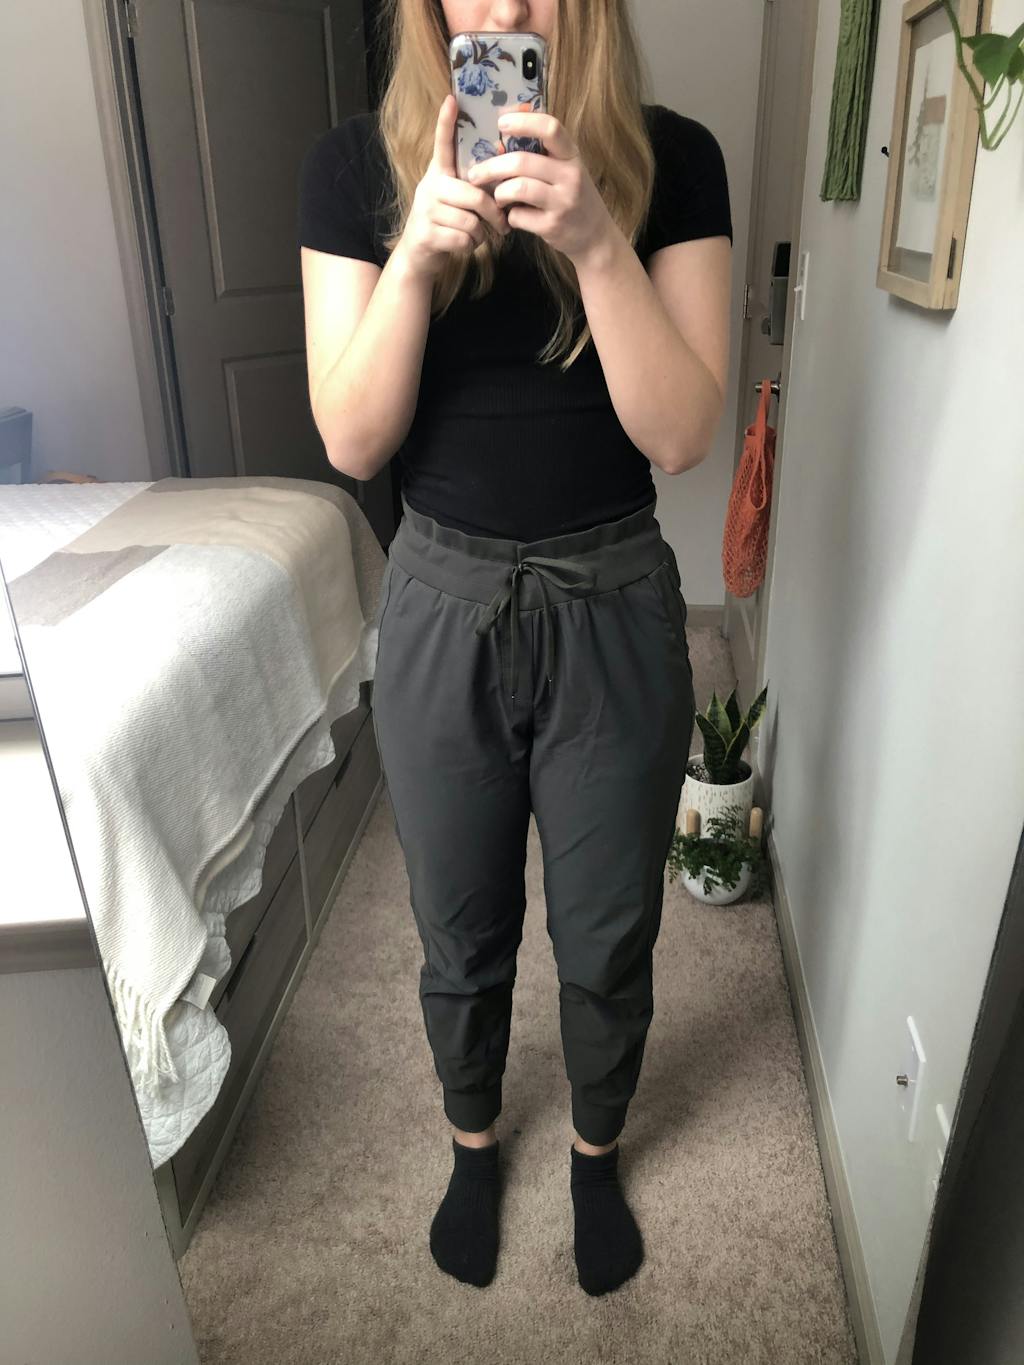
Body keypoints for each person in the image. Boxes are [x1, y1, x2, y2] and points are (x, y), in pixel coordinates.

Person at [298, 0, 732, 1297]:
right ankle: (474, 1144)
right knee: (459, 927)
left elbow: (682, 436)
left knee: (608, 932)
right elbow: (353, 441)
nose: (498, 10)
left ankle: (596, 1151)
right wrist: (416, 265)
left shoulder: (674, 160)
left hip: (615, 597)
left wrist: (597, 240)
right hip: (442, 598)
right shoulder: (351, 170)